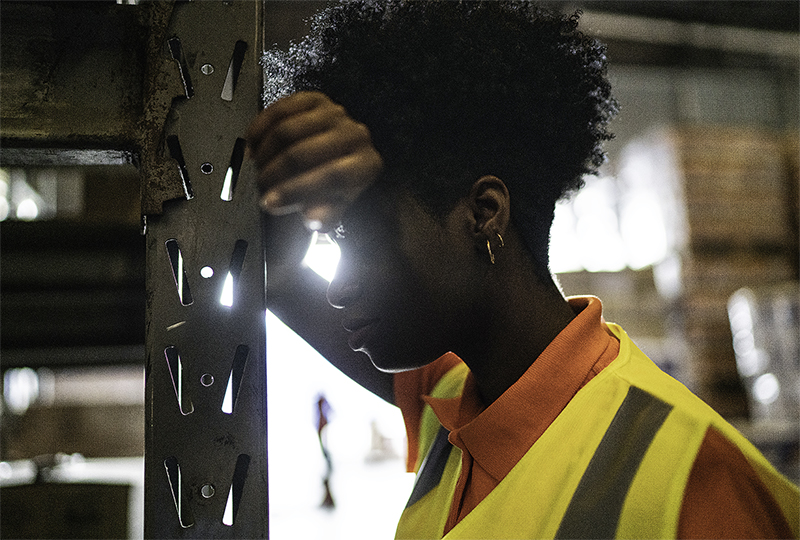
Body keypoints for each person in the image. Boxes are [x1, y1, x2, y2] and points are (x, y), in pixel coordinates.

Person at [246, 1, 800, 538]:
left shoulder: (699, 483)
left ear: (484, 214)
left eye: (363, 239)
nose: (339, 286)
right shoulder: (456, 396)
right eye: (335, 242)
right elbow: (281, 276)